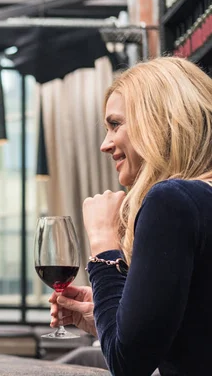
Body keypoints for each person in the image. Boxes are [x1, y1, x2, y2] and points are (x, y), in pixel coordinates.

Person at [49, 57, 212, 375]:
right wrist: (108, 316)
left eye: (115, 124)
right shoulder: (200, 200)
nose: (104, 144)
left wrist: (103, 242)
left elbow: (129, 366)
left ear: (158, 119)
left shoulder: (172, 200)